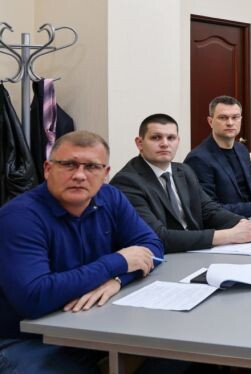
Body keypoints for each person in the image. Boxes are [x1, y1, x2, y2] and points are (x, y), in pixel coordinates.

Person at [0, 131, 162, 373]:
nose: (79, 175)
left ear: (106, 174)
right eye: (68, 164)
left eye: (92, 167)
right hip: (26, 340)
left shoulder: (110, 197)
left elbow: (153, 247)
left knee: (176, 358)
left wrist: (118, 280)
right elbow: (34, 297)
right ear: (47, 169)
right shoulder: (19, 217)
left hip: (90, 326)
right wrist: (116, 263)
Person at [111, 114, 251, 253]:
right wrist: (229, 235)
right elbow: (158, 237)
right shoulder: (127, 182)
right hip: (164, 259)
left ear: (178, 141)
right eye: (156, 138)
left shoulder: (183, 170)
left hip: (195, 252)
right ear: (139, 143)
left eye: (171, 138)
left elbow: (208, 209)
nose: (165, 144)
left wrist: (242, 223)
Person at [185, 96, 251, 218]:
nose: (230, 123)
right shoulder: (198, 159)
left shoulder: (241, 149)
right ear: (210, 121)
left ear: (240, 119)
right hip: (226, 225)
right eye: (223, 118)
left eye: (235, 117)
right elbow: (209, 209)